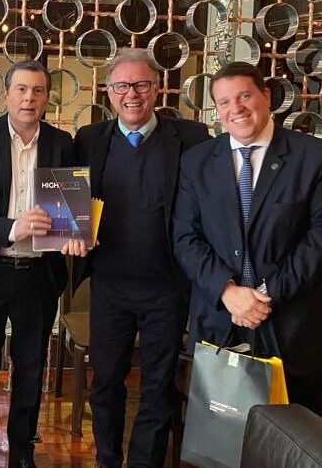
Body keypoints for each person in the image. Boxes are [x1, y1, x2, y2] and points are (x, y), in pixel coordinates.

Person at [74, 48, 209, 468]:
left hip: (166, 289)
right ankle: (107, 460)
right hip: (109, 286)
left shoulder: (191, 138)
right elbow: (68, 201)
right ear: (108, 91)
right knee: (105, 383)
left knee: (157, 388)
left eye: (141, 84)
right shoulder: (89, 140)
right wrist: (67, 233)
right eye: (121, 86)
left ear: (157, 88)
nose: (131, 94)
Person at [0, 60, 85, 468]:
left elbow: (70, 212)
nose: (30, 98)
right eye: (22, 90)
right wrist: (11, 227)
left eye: (38, 91)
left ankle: (22, 453)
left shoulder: (62, 142)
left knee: (30, 370)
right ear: (6, 94)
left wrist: (76, 231)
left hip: (38, 276)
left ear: (47, 98)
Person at [174, 61, 322, 416]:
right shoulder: (196, 162)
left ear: (266, 96)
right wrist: (228, 292)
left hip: (291, 326)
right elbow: (185, 237)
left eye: (244, 96)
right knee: (220, 433)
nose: (235, 109)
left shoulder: (312, 157)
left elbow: (318, 239)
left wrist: (264, 295)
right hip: (219, 322)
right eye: (224, 102)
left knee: (292, 435)